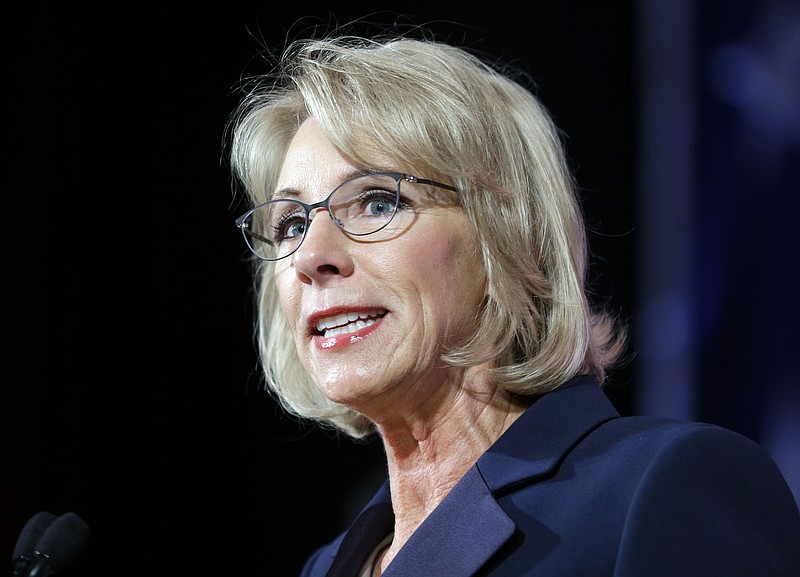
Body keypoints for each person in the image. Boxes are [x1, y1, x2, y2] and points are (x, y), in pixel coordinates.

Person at [226, 32, 800, 577]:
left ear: (506, 237)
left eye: (376, 203)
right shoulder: (328, 566)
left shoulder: (668, 487)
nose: (309, 257)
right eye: (290, 224)